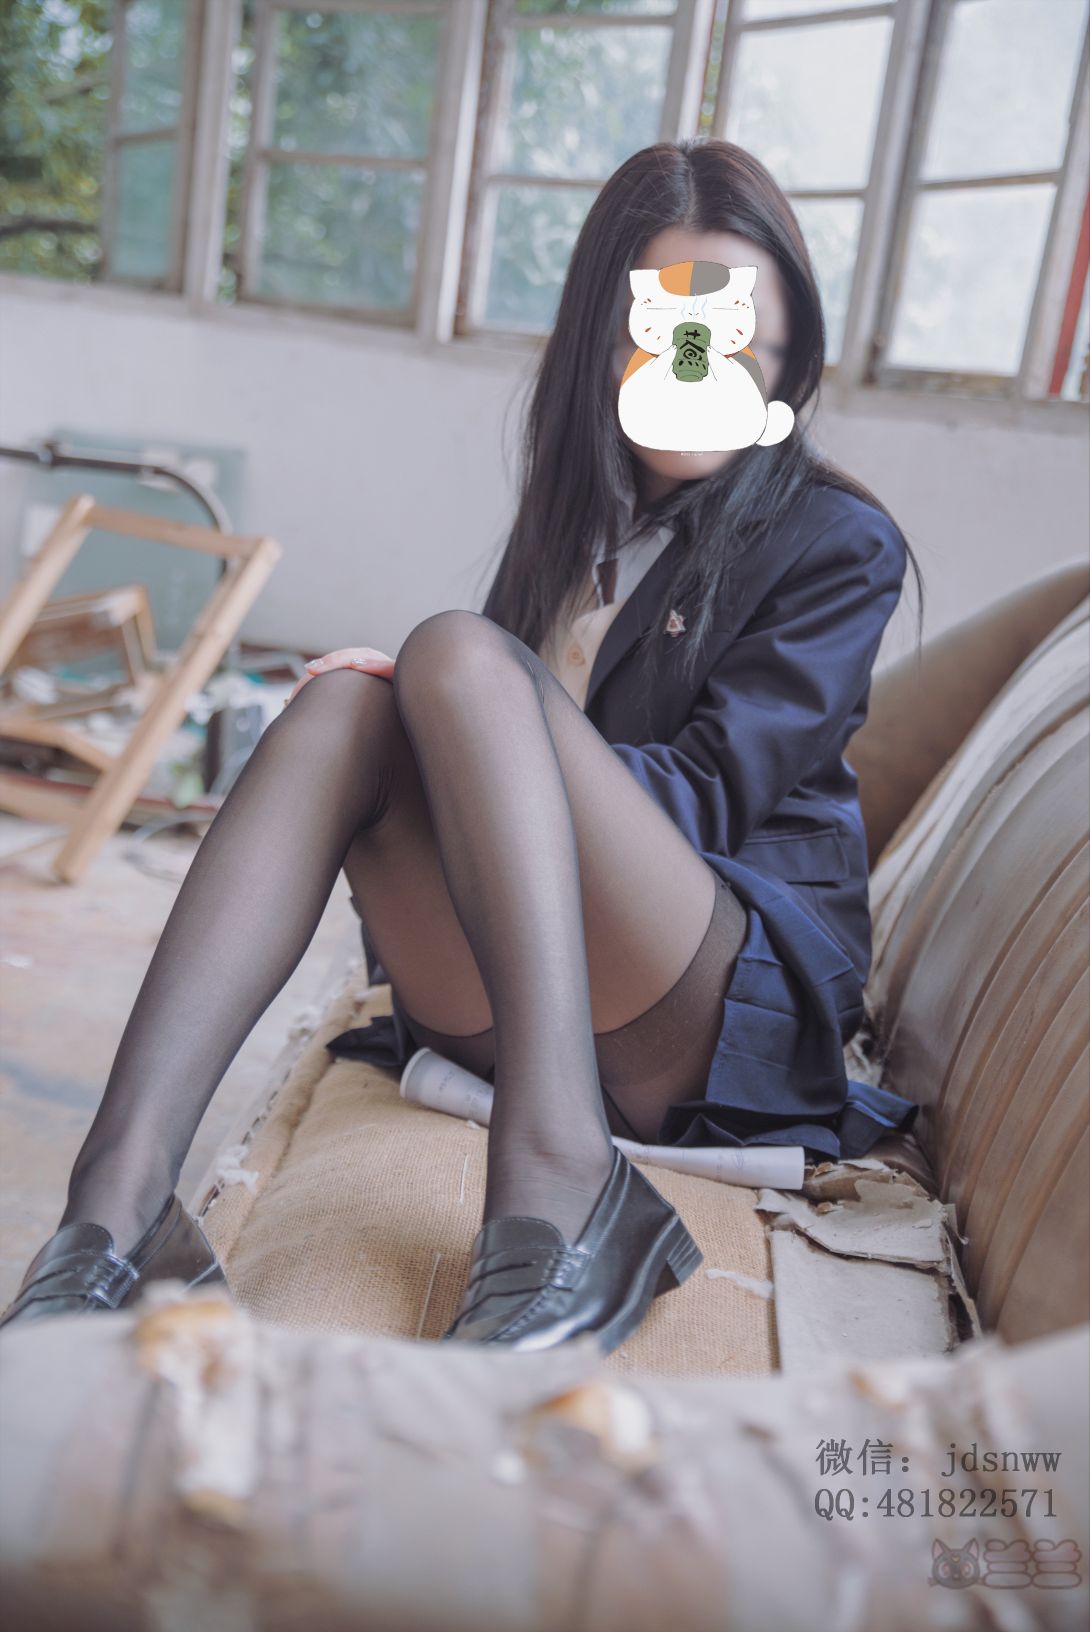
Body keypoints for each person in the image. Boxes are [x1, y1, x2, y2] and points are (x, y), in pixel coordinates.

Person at [0, 138, 924, 1351]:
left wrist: (472, 712)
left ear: (789, 355)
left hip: (711, 1008)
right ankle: (114, 1218)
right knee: (347, 704)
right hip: (538, 988)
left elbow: (705, 802)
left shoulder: (835, 541)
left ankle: (562, 1185)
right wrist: (436, 724)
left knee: (445, 657)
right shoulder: (575, 519)